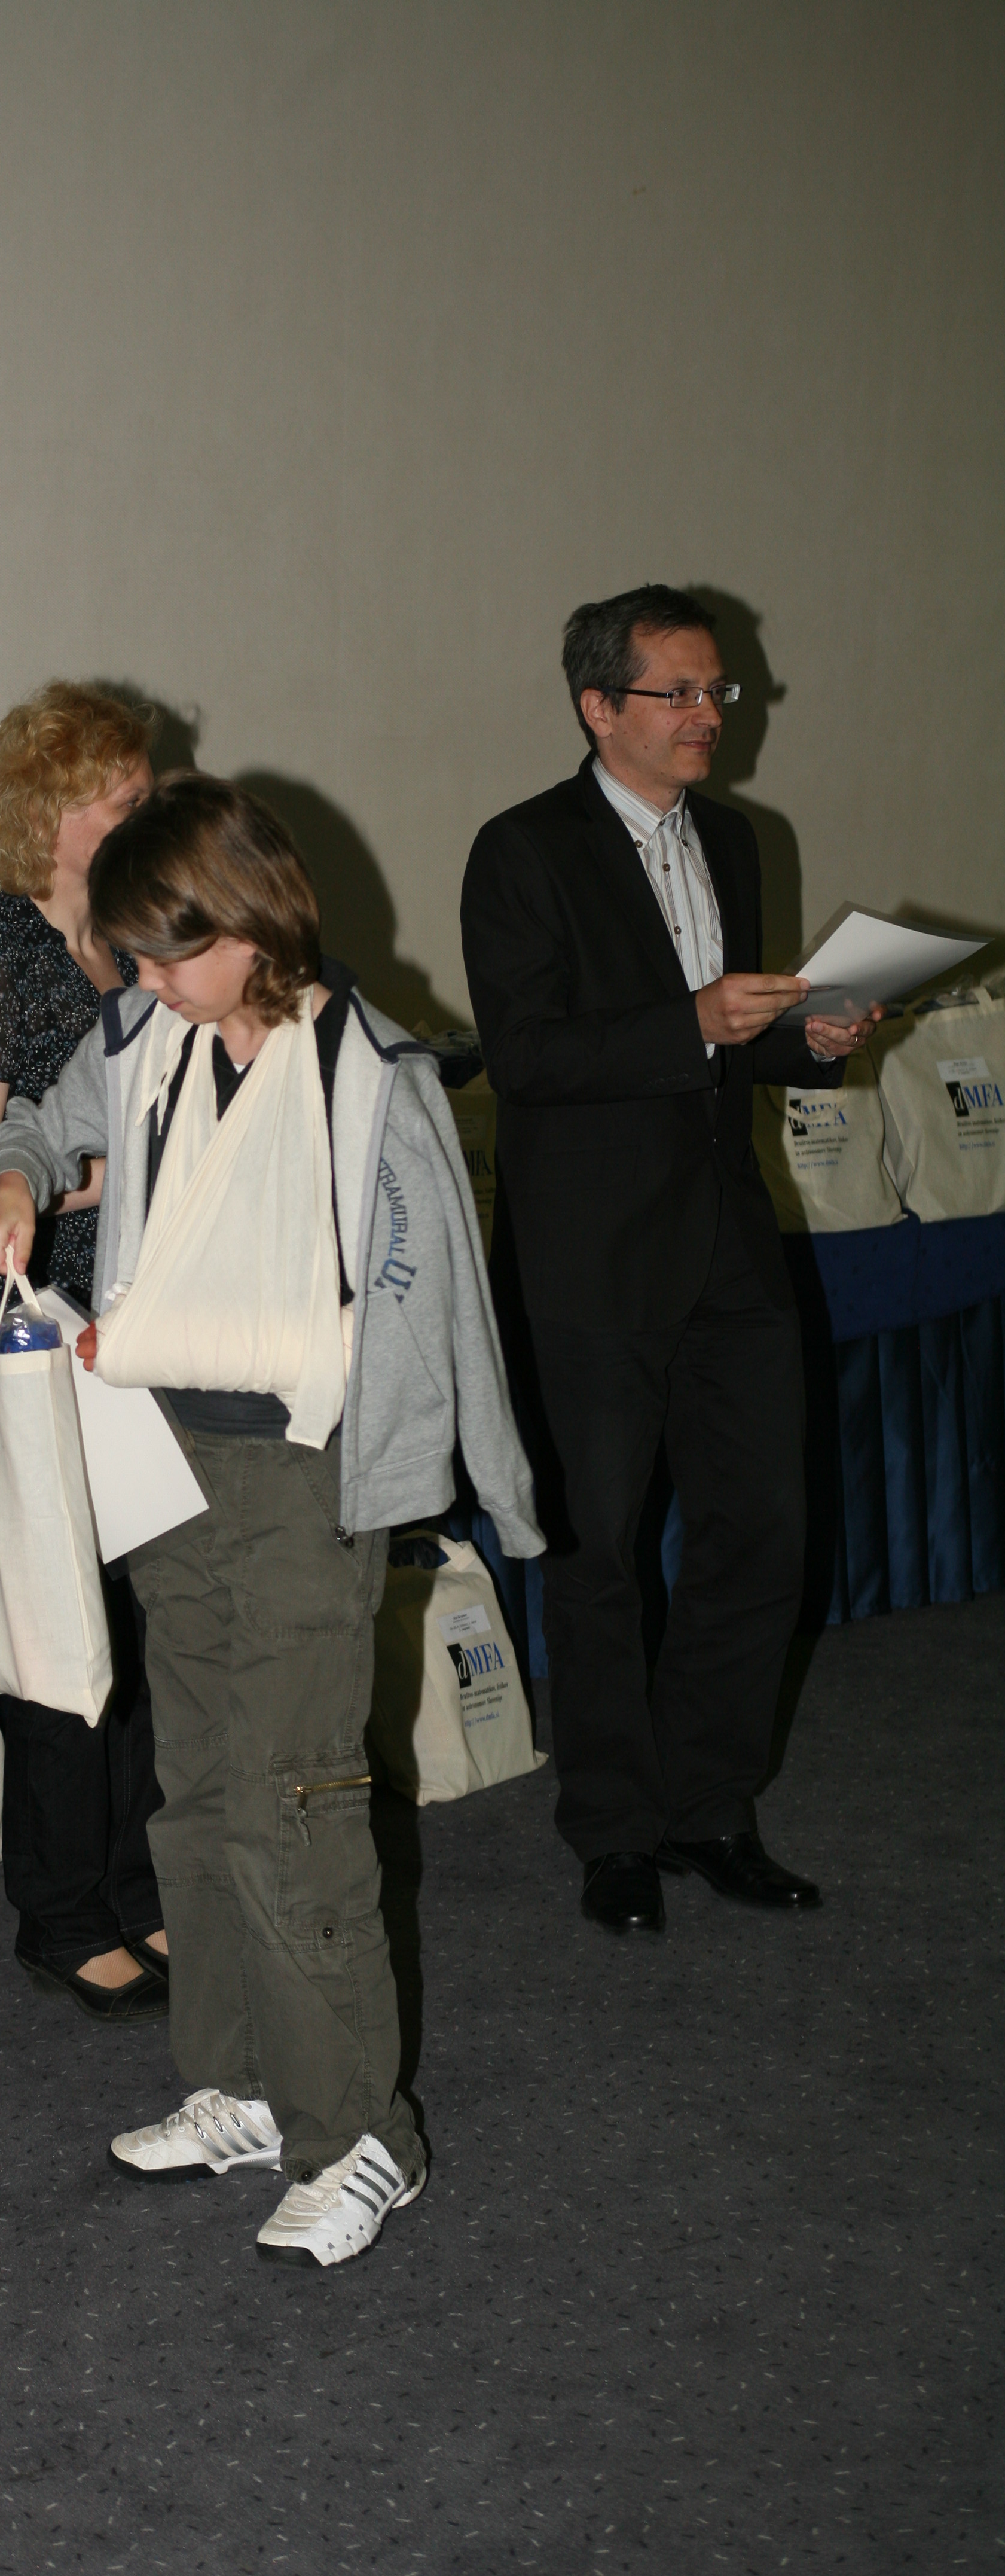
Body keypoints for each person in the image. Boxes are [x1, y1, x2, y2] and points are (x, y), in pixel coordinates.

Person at [0, 774, 542, 2269]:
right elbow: (41, 1120)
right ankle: (234, 2085)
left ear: (248, 924)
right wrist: (18, 1180)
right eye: (135, 958)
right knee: (198, 1794)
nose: (145, 983)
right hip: (165, 1464)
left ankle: (361, 2139)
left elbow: (433, 1312)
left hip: (301, 1478)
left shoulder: (373, 1079)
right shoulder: (139, 1034)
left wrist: (487, 1486)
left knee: (297, 1809)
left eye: (168, 955)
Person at [460, 586, 882, 1936]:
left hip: (729, 1243)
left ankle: (711, 1808)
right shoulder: (523, 850)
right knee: (599, 1554)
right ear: (600, 707)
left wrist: (803, 1037)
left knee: (761, 1530)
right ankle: (614, 1833)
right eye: (681, 693)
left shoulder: (738, 841)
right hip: (589, 1259)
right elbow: (525, 1057)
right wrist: (693, 1018)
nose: (710, 716)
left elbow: (726, 1045)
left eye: (719, 693)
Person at [0, 682, 167, 2025]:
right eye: (119, 798)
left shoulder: (132, 946)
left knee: (136, 1634)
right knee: (63, 1646)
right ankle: (63, 1914)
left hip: (133, 1340)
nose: (143, 813)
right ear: (47, 815)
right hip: (36, 1353)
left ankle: (134, 1884)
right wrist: (120, 1171)